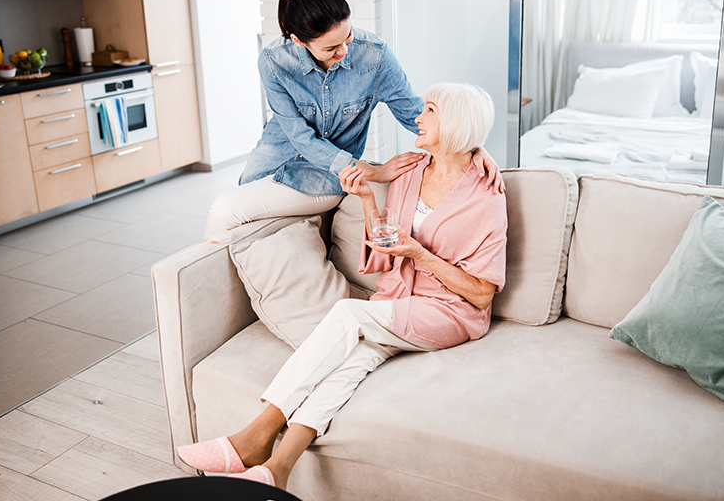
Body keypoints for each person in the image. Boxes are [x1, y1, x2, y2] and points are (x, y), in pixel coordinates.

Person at [179, 83, 508, 490]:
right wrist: (368, 198)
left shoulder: (487, 196)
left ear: (456, 123)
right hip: (400, 302)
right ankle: (277, 469)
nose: (417, 118)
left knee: (348, 313)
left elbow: (481, 293)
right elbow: (387, 244)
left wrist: (420, 254)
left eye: (429, 110)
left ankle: (255, 434)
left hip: (449, 312)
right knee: (350, 363)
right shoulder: (412, 170)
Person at [204, 0, 504, 236]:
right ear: (298, 41)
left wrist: (472, 145)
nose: (345, 51)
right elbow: (299, 137)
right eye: (331, 48)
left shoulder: (374, 57)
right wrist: (374, 173)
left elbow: (416, 114)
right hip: (269, 163)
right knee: (235, 217)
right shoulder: (273, 62)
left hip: (321, 177)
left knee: (224, 211)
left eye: (348, 36)